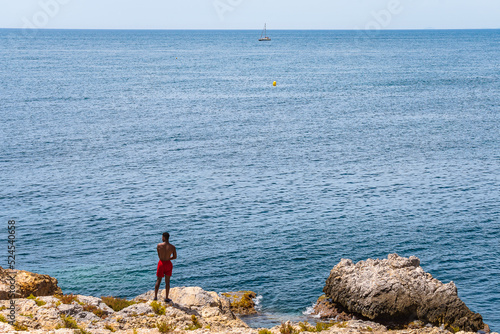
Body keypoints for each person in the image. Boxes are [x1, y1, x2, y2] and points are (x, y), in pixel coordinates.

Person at [154, 232, 177, 302]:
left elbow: (159, 255)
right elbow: (175, 257)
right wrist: (168, 258)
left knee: (158, 280)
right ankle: (166, 298)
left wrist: (163, 258)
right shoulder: (172, 247)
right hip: (168, 264)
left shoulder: (159, 245)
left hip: (161, 263)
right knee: (167, 282)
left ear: (163, 237)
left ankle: (155, 297)